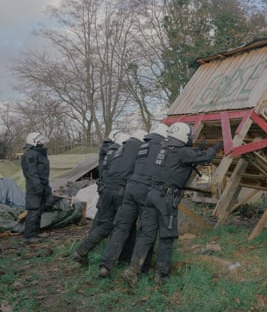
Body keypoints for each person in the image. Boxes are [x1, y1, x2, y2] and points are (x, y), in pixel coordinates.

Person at [122, 122, 223, 287]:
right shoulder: (182, 152)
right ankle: (161, 277)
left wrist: (196, 149)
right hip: (166, 199)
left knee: (146, 235)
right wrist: (217, 147)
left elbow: (181, 159)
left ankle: (132, 270)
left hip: (152, 195)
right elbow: (206, 158)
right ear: (183, 136)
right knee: (166, 238)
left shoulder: (164, 149)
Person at [98, 123, 169, 278]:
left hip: (130, 189)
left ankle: (105, 264)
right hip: (146, 191)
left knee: (121, 228)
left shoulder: (143, 146)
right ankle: (139, 268)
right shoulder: (162, 147)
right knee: (147, 231)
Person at [72, 129, 145, 266]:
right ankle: (116, 260)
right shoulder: (134, 152)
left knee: (105, 225)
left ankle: (81, 251)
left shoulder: (115, 152)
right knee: (123, 226)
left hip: (106, 190)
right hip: (120, 192)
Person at [21, 132, 52, 244]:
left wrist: (46, 187)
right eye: (40, 140)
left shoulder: (40, 153)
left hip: (43, 184)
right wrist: (38, 187)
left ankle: (36, 232)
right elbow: (31, 173)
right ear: (34, 141)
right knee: (33, 210)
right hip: (35, 187)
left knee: (39, 210)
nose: (42, 142)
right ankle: (29, 236)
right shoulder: (30, 154)